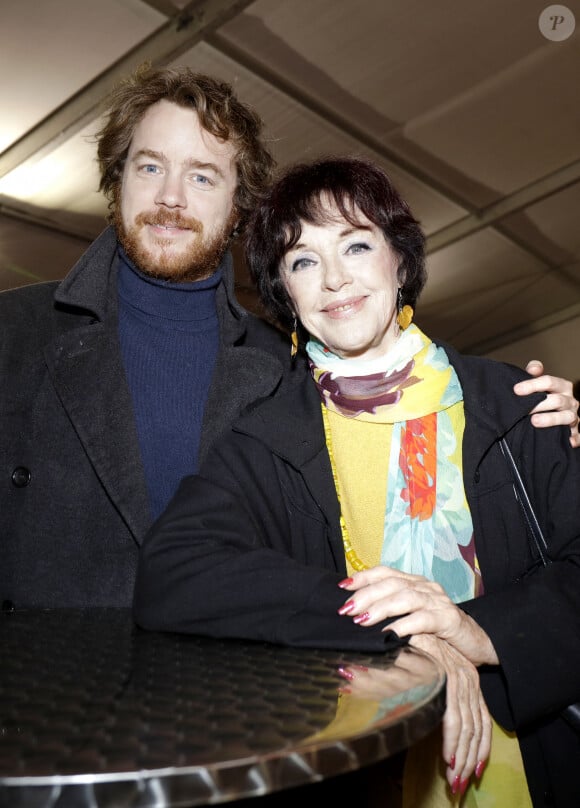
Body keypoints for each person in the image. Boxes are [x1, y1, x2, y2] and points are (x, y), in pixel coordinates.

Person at [0, 66, 576, 613]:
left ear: (237, 209)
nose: (170, 197)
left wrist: (544, 426)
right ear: (117, 179)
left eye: (202, 176)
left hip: (242, 696)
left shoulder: (286, 372)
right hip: (42, 691)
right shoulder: (14, 332)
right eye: (149, 167)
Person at [134, 157, 580, 807]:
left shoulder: (516, 404)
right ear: (285, 293)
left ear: (400, 261)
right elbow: (172, 573)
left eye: (356, 244)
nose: (335, 278)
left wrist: (475, 632)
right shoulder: (267, 439)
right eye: (303, 261)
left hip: (539, 765)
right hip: (358, 771)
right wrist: (396, 622)